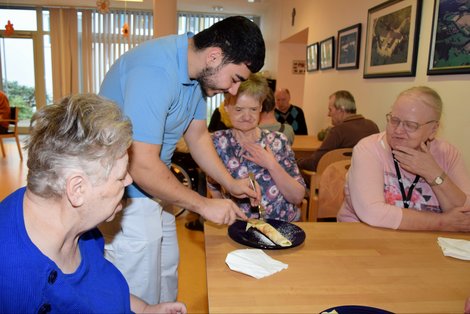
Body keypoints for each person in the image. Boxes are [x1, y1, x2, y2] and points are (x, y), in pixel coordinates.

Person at [98, 16, 264, 304]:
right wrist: (202, 205)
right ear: (215, 55)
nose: (234, 91)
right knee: (140, 293)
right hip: (123, 193)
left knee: (166, 276)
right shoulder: (155, 71)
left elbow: (198, 136)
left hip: (154, 188)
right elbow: (140, 164)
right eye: (235, 79)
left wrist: (230, 183)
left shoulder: (196, 72)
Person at [0, 94, 186, 313]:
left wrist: (145, 309)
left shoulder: (75, 221)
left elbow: (97, 288)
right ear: (77, 189)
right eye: (120, 177)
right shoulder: (15, 282)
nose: (129, 180)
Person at [337, 86, 470, 231]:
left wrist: (434, 174)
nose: (398, 130)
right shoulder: (368, 149)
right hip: (366, 240)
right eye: (394, 120)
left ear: (433, 130)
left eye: (410, 125)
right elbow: (373, 213)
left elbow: (465, 215)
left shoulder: (448, 154)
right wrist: (442, 222)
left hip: (427, 245)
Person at [209, 74, 306, 222]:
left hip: (281, 225)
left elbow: (297, 197)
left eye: (253, 109)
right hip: (238, 226)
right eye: (239, 109)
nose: (247, 116)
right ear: (227, 107)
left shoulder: (277, 141)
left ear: (260, 108)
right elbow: (213, 186)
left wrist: (272, 165)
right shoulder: (217, 142)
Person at [298, 90, 379, 171]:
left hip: (338, 179)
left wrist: (297, 162)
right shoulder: (373, 126)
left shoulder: (338, 131)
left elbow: (315, 163)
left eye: (330, 109)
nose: (328, 114)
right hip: (367, 177)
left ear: (341, 110)